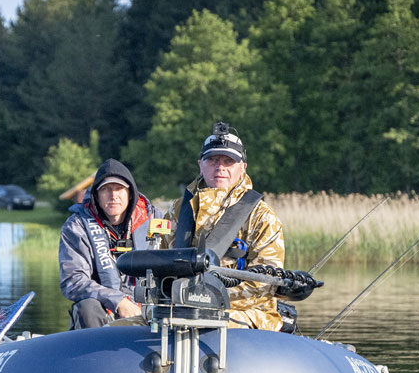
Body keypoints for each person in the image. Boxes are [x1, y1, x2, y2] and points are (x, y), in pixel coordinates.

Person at [165, 122, 285, 331]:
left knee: (203, 323)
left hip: (246, 313)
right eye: (212, 160)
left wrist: (206, 299)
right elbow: (158, 260)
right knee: (122, 327)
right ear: (200, 165)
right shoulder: (177, 210)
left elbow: (266, 282)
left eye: (228, 161)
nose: (220, 167)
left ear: (243, 168)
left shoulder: (262, 216)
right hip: (179, 309)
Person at [59, 159, 162, 329]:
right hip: (101, 311)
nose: (113, 196)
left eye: (119, 189)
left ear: (130, 193)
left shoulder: (156, 218)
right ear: (96, 196)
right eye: (106, 189)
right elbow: (73, 281)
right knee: (87, 306)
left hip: (148, 310)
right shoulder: (76, 226)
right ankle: (95, 353)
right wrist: (118, 301)